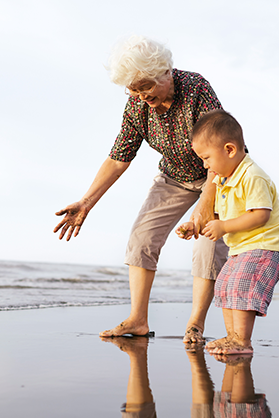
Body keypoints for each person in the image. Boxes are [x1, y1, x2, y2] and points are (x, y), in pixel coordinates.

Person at [53, 35, 229, 343]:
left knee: (207, 243)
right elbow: (118, 157)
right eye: (132, 89)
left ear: (166, 72)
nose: (140, 95)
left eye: (145, 86)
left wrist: (205, 205)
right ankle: (138, 319)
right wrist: (86, 202)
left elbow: (219, 148)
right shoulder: (137, 105)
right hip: (175, 176)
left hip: (218, 173)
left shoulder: (196, 88)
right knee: (141, 238)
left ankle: (195, 325)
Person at [176, 110, 279, 355]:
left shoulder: (252, 176)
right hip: (243, 247)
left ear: (229, 150)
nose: (205, 166)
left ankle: (242, 340)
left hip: (266, 245)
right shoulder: (224, 180)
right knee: (225, 285)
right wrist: (195, 226)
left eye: (207, 158)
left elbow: (260, 215)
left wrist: (224, 227)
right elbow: (221, 215)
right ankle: (232, 337)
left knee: (241, 285)